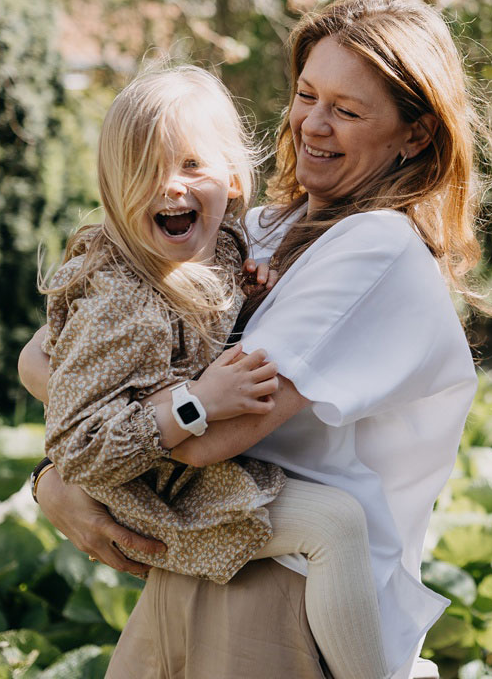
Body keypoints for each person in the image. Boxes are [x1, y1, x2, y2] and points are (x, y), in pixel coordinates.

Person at [21, 0, 492, 679]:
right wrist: (58, 473)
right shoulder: (257, 233)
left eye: (348, 110)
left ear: (416, 134)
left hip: (286, 600)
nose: (313, 124)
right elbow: (42, 358)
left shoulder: (377, 249)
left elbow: (216, 435)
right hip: (205, 566)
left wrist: (84, 455)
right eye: (307, 94)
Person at [38, 65, 388, 678]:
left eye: (191, 165)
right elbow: (80, 447)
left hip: (175, 472)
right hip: (148, 488)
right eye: (143, 171)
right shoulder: (123, 300)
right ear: (111, 186)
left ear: (232, 176)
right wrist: (196, 402)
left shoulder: (220, 246)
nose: (169, 187)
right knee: (335, 526)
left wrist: (249, 296)